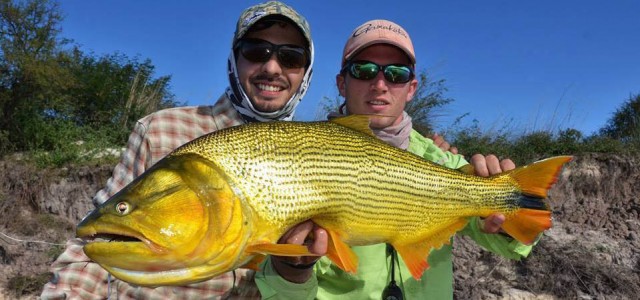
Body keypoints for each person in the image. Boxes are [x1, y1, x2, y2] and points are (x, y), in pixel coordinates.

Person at [41, 1, 316, 298]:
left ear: (306, 72)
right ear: (233, 60)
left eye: (291, 57)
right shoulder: (159, 130)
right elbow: (96, 245)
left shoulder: (318, 152)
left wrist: (297, 267)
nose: (272, 67)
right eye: (255, 51)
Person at [265, 19, 537, 299]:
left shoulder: (446, 163)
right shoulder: (298, 158)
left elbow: (517, 243)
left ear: (411, 88)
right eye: (364, 70)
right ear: (341, 84)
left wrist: (507, 213)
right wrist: (291, 267)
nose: (380, 84)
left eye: (396, 74)